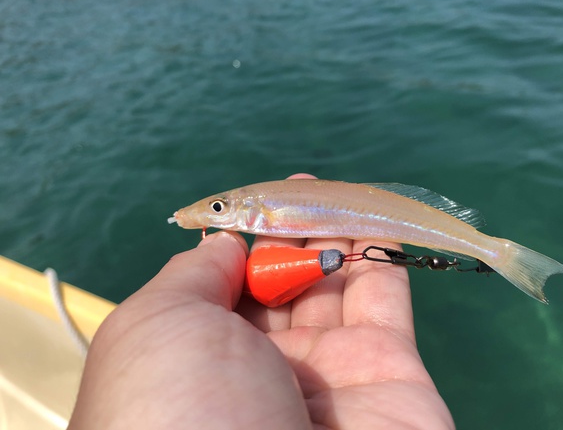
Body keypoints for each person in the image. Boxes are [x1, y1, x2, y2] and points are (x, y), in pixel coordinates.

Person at [68, 174, 455, 430]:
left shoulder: (263, 209)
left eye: (219, 208)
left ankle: (490, 252)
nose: (215, 213)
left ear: (254, 209)